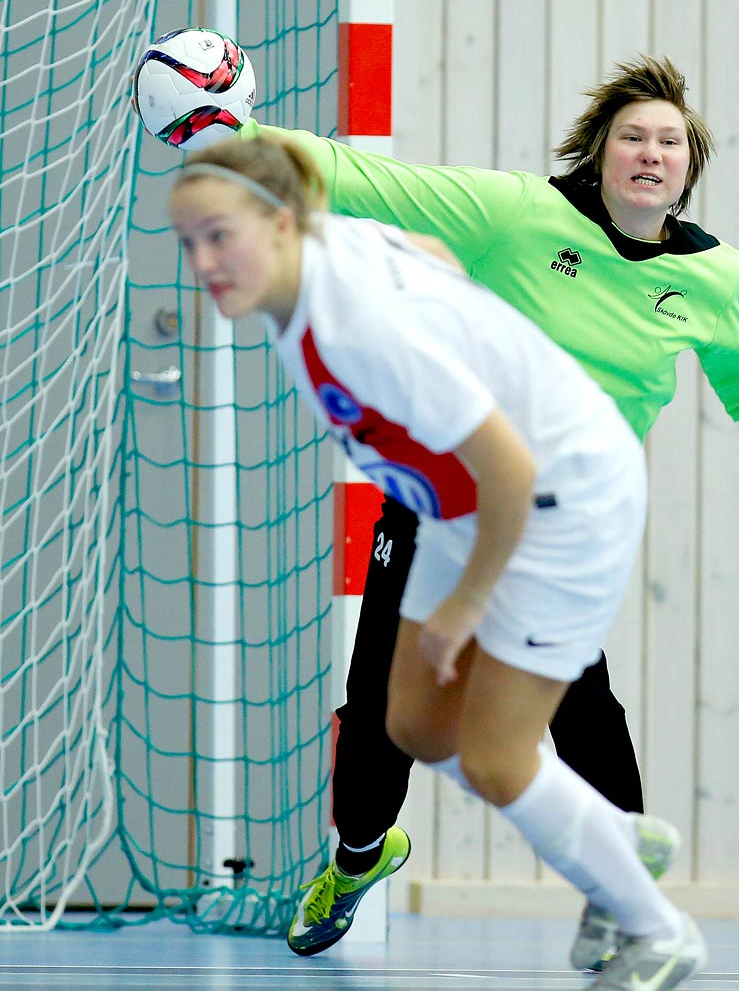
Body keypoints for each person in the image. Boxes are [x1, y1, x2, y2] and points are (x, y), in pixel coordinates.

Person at [234, 55, 739, 965]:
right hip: (440, 493)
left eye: (669, 143)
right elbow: (377, 182)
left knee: (581, 705)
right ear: (599, 156)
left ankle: (624, 895)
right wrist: (232, 133)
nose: (650, 153)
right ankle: (359, 854)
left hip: (558, 519)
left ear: (689, 167)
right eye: (632, 138)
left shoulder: (712, 278)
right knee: (381, 710)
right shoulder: (522, 216)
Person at [168, 134, 709, 991]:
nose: (204, 262)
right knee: (412, 724)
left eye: (220, 236)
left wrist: (466, 604)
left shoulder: (360, 332)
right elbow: (429, 251)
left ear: (278, 222)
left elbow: (511, 471)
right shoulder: (313, 259)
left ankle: (657, 927)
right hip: (451, 500)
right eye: (189, 241)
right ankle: (614, 841)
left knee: (497, 757)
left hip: (558, 498)